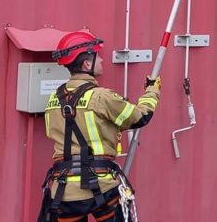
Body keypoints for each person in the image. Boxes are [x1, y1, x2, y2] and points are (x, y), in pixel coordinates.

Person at [37, 31, 161, 222]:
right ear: (87, 64)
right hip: (101, 188)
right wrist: (152, 91)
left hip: (62, 192)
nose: (102, 59)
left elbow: (51, 132)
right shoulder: (102, 97)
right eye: (97, 56)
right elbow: (139, 117)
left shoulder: (54, 98)